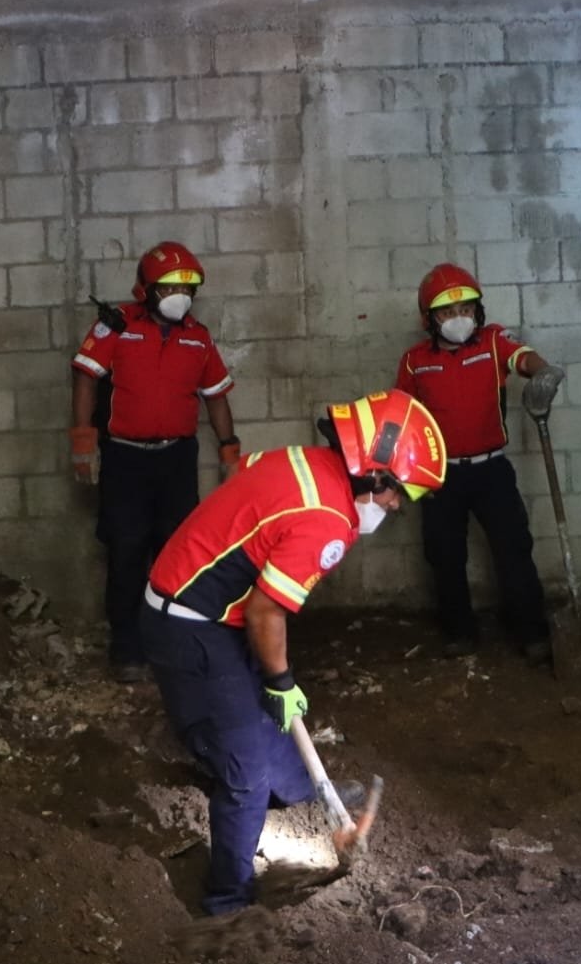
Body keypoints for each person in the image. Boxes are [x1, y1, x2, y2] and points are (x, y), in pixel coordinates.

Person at [141, 389, 447, 915]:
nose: (397, 507)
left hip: (199, 602)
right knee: (245, 774)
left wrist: (272, 677)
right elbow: (266, 612)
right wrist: (281, 681)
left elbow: (248, 481)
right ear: (374, 475)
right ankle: (227, 901)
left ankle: (305, 789)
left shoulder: (305, 460)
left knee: (264, 706)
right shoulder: (327, 520)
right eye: (398, 494)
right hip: (191, 625)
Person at [69, 241, 241, 683]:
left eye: (187, 288)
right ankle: (127, 649)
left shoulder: (197, 337)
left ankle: (172, 645)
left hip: (177, 462)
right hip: (125, 460)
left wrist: (229, 450)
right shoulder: (117, 326)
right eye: (168, 288)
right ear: (144, 289)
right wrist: (83, 442)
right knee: (126, 552)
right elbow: (86, 378)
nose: (179, 296)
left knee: (177, 553)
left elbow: (216, 398)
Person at [394, 263, 565, 665]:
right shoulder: (414, 361)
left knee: (513, 548)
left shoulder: (492, 342)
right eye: (448, 313)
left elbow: (524, 359)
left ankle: (529, 630)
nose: (459, 319)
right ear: (429, 319)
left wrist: (544, 374)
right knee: (444, 554)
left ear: (478, 312)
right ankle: (459, 631)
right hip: (440, 475)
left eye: (467, 310)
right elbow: (401, 416)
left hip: (491, 472)